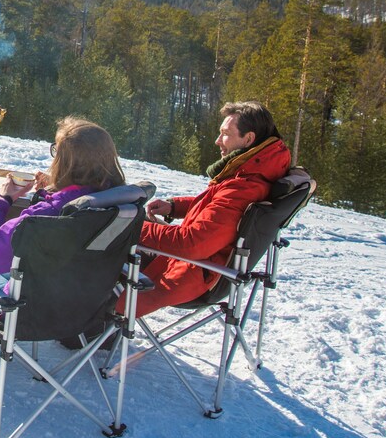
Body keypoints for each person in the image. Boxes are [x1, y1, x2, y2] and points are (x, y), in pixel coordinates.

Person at [0, 117, 126, 362]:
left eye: (56, 151)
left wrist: (2, 200)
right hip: (84, 310)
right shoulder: (118, 203)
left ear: (64, 162)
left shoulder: (46, 217)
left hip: (25, 314)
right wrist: (53, 192)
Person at [125, 100, 291, 318]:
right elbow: (218, 210)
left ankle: (96, 325)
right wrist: (175, 207)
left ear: (248, 139)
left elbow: (191, 243)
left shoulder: (244, 187)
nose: (217, 141)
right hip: (200, 267)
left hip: (190, 272)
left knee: (111, 246)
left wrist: (135, 227)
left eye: (225, 134)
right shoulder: (252, 175)